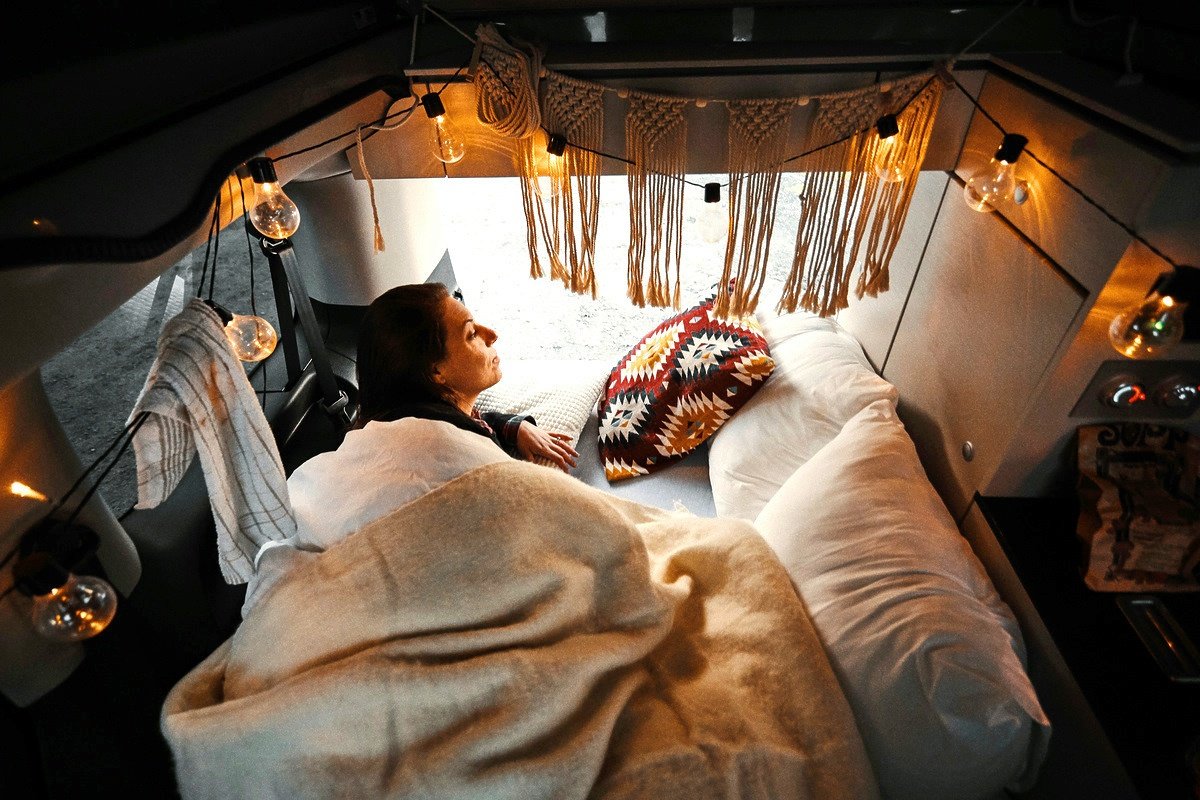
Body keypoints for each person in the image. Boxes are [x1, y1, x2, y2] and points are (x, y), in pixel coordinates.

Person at [355, 282, 578, 471]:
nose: (491, 335)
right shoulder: (459, 454)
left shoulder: (398, 417)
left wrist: (514, 427)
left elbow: (470, 419)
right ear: (437, 372)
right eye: (471, 334)